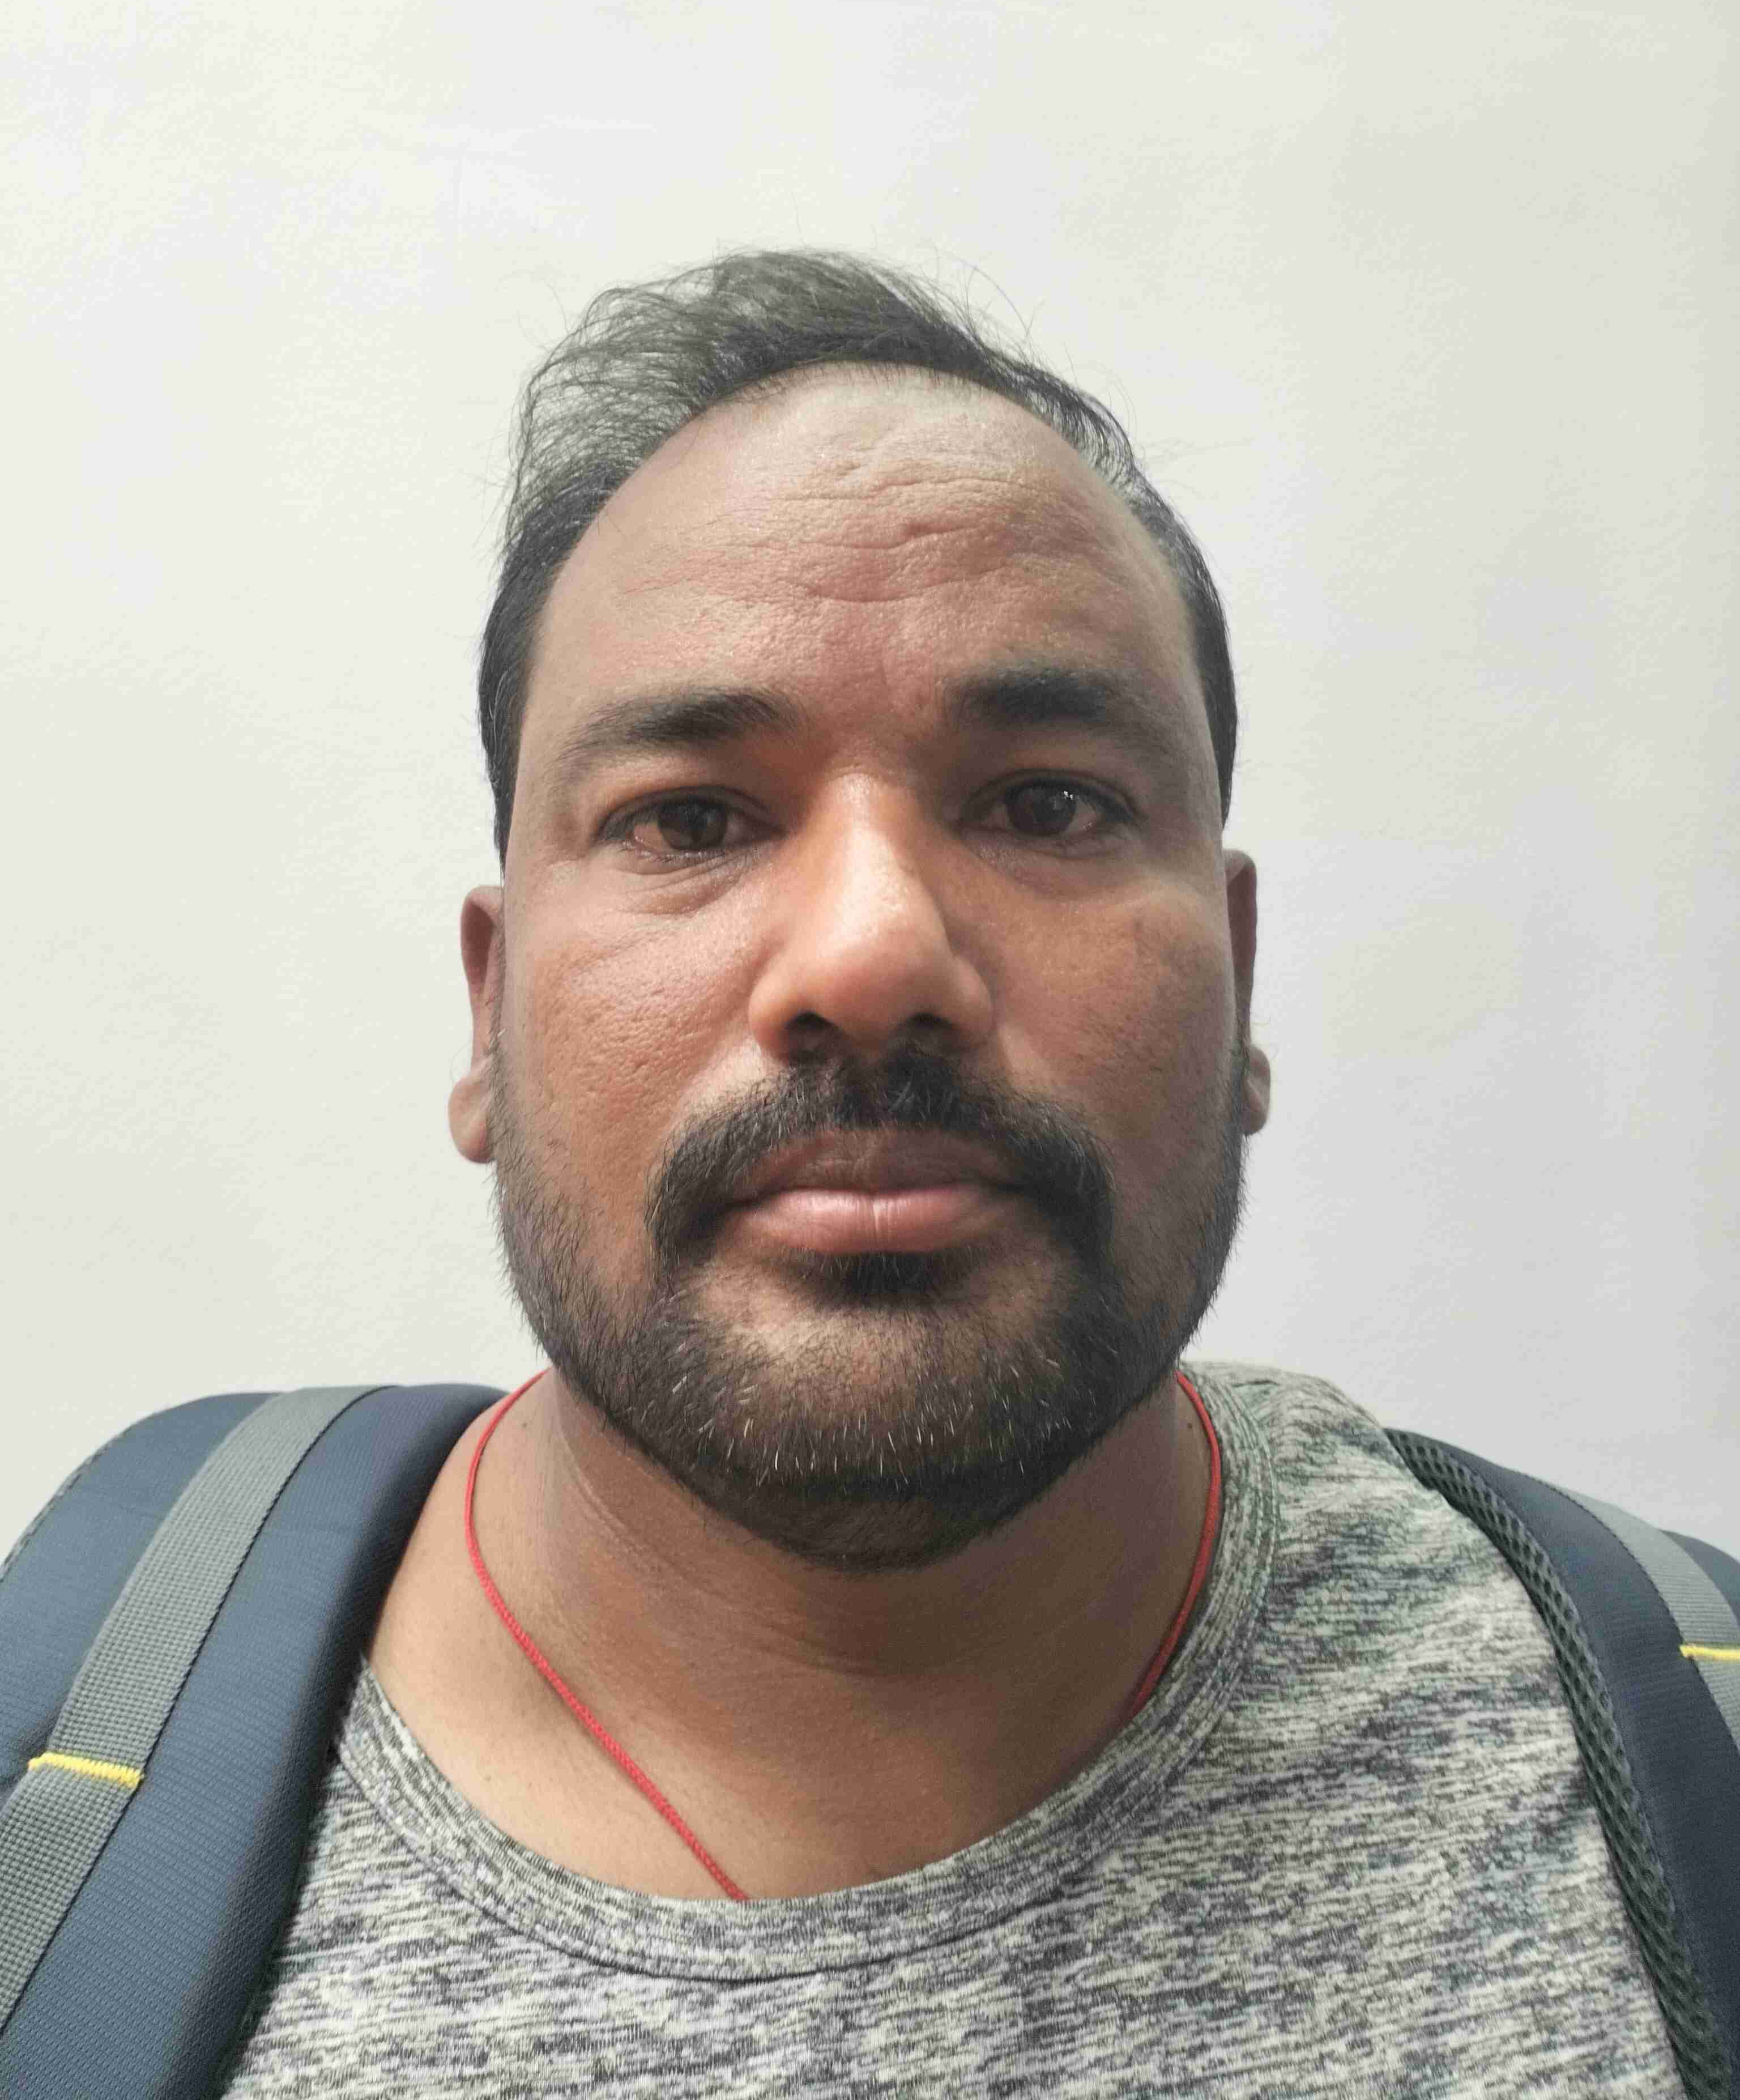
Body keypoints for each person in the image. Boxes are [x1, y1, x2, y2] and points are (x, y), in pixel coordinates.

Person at [215, 251, 1688, 2093]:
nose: (870, 956)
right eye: (691, 818)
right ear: (490, 1014)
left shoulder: (1675, 1771)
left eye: (1048, 802)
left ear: (1240, 984)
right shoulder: (77, 1811)